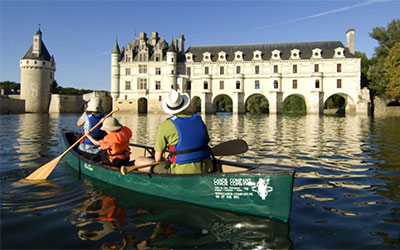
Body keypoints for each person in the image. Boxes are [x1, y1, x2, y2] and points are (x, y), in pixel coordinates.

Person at [135, 90, 214, 174]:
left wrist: (165, 160)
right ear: (184, 104)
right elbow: (206, 141)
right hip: (207, 166)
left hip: (180, 170)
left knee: (138, 161)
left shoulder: (165, 125)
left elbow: (158, 158)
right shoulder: (199, 120)